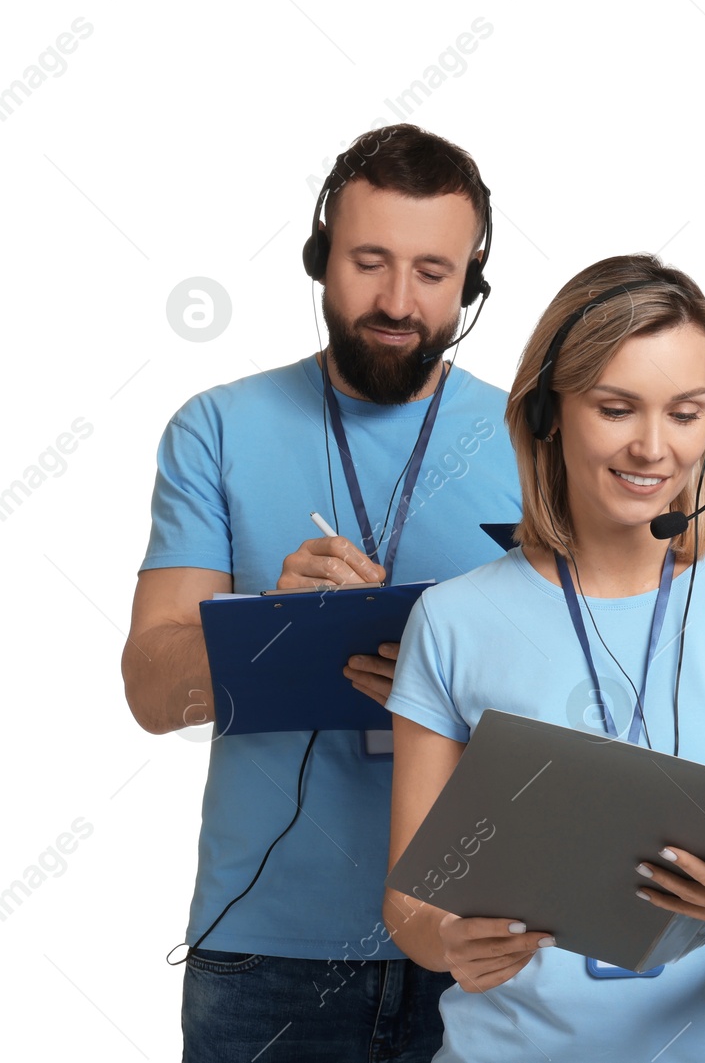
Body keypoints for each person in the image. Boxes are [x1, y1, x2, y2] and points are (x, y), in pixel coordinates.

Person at [383, 254, 705, 1063]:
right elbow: (408, 903)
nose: (651, 447)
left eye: (685, 412)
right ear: (548, 414)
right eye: (616, 407)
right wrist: (451, 939)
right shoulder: (452, 618)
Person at [121, 124, 519, 1061]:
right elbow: (149, 692)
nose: (396, 300)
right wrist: (269, 624)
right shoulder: (215, 427)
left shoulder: (535, 434)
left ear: (473, 285)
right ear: (318, 260)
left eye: (432, 270)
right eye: (368, 261)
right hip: (266, 949)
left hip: (485, 935)